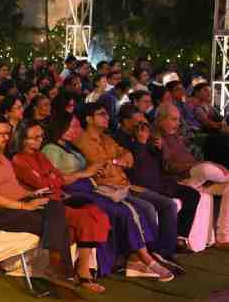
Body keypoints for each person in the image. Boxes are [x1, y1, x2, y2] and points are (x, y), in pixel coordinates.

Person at [0, 114, 75, 285]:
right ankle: (60, 269)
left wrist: (33, 194)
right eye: (2, 134)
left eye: (8, 133)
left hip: (14, 207)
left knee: (55, 206)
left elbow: (15, 190)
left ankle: (59, 267)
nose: (7, 138)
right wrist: (24, 205)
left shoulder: (2, 158)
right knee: (57, 223)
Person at [74, 102, 180, 277]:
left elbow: (129, 158)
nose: (107, 117)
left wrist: (117, 160)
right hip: (108, 188)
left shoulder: (107, 139)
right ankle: (142, 258)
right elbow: (101, 166)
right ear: (88, 119)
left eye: (107, 114)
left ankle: (161, 253)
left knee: (168, 204)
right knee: (147, 208)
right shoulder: (83, 141)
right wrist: (117, 161)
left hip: (127, 185)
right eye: (101, 114)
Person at [9, 121, 111, 292]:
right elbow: (44, 183)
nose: (40, 140)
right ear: (23, 139)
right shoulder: (19, 159)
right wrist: (53, 179)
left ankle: (84, 269)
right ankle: (82, 274)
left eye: (41, 136)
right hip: (45, 205)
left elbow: (57, 177)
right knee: (86, 217)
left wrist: (53, 179)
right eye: (35, 137)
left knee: (96, 211)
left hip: (58, 198)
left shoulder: (40, 156)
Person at [123, 120, 199, 265]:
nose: (144, 129)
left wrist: (161, 148)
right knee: (168, 205)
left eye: (145, 125)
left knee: (193, 194)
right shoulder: (129, 144)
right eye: (140, 126)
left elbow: (165, 165)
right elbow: (139, 172)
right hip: (144, 186)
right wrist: (141, 143)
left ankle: (179, 238)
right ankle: (162, 250)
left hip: (163, 183)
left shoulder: (152, 143)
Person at [155, 103, 229, 250]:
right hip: (178, 180)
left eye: (178, 120)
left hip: (195, 178)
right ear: (160, 119)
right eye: (173, 119)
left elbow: (192, 161)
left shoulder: (176, 137)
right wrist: (200, 165)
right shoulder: (157, 138)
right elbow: (168, 166)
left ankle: (223, 237)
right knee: (207, 169)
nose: (177, 124)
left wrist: (202, 167)